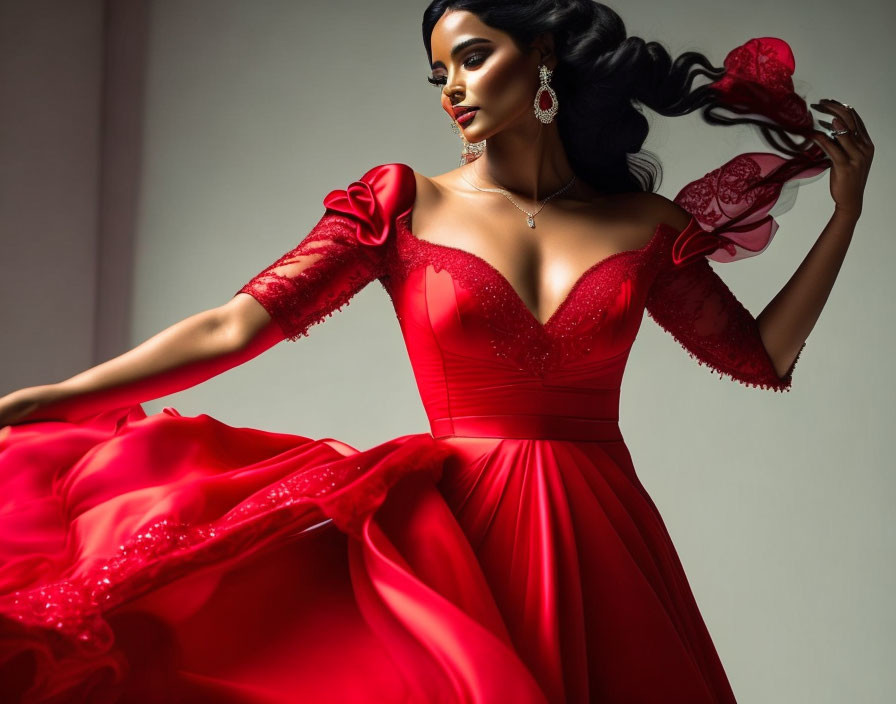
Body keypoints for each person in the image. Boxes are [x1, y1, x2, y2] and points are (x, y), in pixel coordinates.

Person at [0, 2, 874, 703]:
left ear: (541, 56)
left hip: (606, 536)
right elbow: (235, 326)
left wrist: (845, 216)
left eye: (471, 57)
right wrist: (58, 395)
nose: (451, 87)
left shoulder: (646, 227)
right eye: (439, 71)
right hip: (453, 532)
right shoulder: (399, 204)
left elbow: (760, 358)